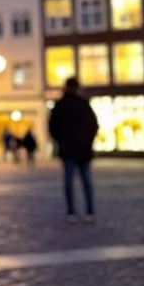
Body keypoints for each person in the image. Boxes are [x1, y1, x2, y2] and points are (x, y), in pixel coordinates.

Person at [48, 77, 99, 222]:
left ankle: (71, 212)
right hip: (83, 149)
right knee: (86, 180)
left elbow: (52, 128)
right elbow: (94, 125)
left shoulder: (60, 105)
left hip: (68, 149)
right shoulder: (83, 104)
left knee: (69, 181)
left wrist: (61, 141)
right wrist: (88, 141)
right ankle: (90, 211)